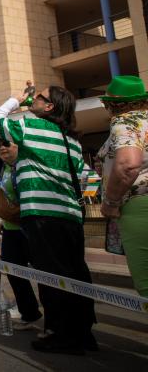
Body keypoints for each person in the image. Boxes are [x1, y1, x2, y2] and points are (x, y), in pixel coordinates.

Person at [0, 86, 96, 355]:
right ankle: (83, 333)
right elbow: (90, 179)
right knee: (76, 274)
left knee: (51, 276)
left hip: (42, 215)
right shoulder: (71, 141)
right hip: (70, 215)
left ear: (49, 107)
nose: (33, 99)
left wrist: (16, 100)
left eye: (39, 97)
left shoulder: (31, 126)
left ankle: (61, 334)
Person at [97, 75, 148, 297]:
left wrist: (111, 202)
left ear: (112, 104)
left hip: (140, 207)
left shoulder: (126, 121)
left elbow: (127, 165)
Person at [0, 140, 43, 329]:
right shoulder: (5, 168)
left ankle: (57, 322)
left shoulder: (24, 167)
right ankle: (29, 313)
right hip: (10, 229)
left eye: (7, 144)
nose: (2, 148)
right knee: (14, 273)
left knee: (43, 274)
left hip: (29, 228)